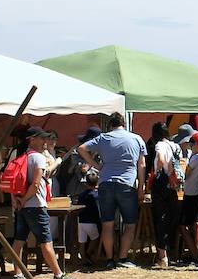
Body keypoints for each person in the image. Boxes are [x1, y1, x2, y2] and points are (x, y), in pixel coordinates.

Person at [78, 112, 147, 269]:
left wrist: (95, 165)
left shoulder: (103, 138)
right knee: (130, 224)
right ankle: (122, 257)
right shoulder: (136, 138)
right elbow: (141, 165)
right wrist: (141, 187)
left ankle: (110, 259)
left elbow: (82, 149)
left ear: (110, 125)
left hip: (106, 183)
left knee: (107, 224)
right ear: (124, 123)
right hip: (127, 184)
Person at [10, 126, 77, 279]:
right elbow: (35, 183)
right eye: (41, 138)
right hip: (36, 205)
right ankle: (58, 274)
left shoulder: (24, 156)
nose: (45, 141)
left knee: (19, 240)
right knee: (46, 241)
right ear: (32, 139)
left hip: (23, 206)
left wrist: (19, 201)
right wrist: (25, 199)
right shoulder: (38, 158)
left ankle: (18, 274)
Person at [149, 121, 181, 270]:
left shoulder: (160, 145)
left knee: (160, 219)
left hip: (161, 185)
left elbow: (161, 159)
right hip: (173, 187)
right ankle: (172, 253)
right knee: (171, 219)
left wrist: (160, 172)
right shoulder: (175, 146)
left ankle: (163, 257)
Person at [179, 127, 198, 265]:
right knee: (195, 224)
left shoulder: (195, 159)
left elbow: (186, 175)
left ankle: (194, 254)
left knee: (183, 225)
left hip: (190, 194)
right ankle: (195, 252)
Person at [75, 170, 101, 267]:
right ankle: (89, 253)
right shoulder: (96, 195)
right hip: (91, 221)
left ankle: (83, 259)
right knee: (96, 238)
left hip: (81, 221)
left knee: (82, 242)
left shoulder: (81, 195)